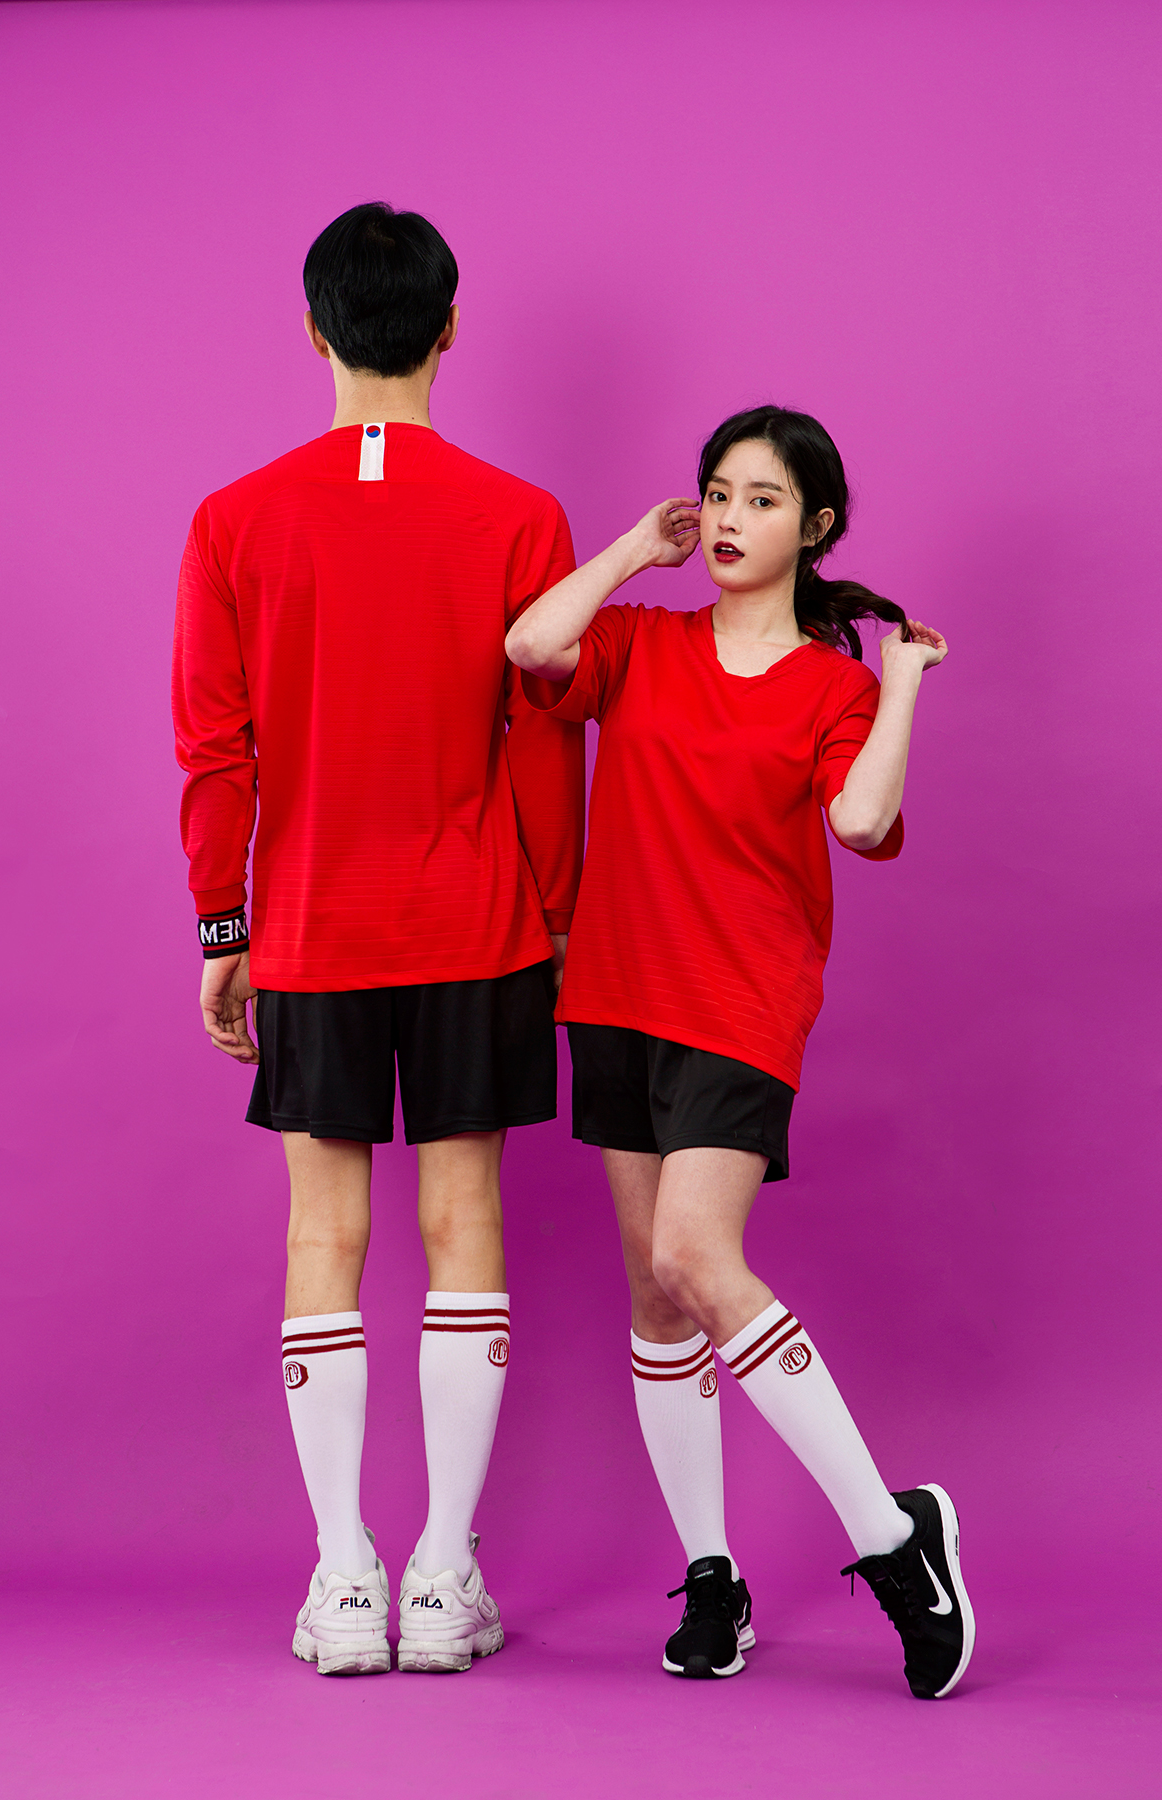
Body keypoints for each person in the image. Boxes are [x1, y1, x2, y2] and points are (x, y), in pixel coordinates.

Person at [172, 203, 584, 1676]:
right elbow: (547, 741)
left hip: (305, 924)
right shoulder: (522, 516)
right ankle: (443, 1573)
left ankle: (345, 1577)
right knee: (465, 1225)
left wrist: (223, 924)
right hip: (477, 920)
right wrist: (555, 913)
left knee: (322, 1236)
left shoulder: (233, 520)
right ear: (450, 328)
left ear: (313, 328)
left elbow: (215, 751)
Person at [505, 405, 973, 1699]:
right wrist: (630, 550)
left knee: (694, 1257)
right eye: (716, 493)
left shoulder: (836, 688)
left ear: (815, 527)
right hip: (616, 993)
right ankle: (713, 1578)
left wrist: (905, 682)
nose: (727, 518)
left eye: (760, 500)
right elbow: (531, 644)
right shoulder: (642, 642)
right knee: (658, 1302)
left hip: (741, 1002)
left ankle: (894, 1540)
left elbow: (864, 819)